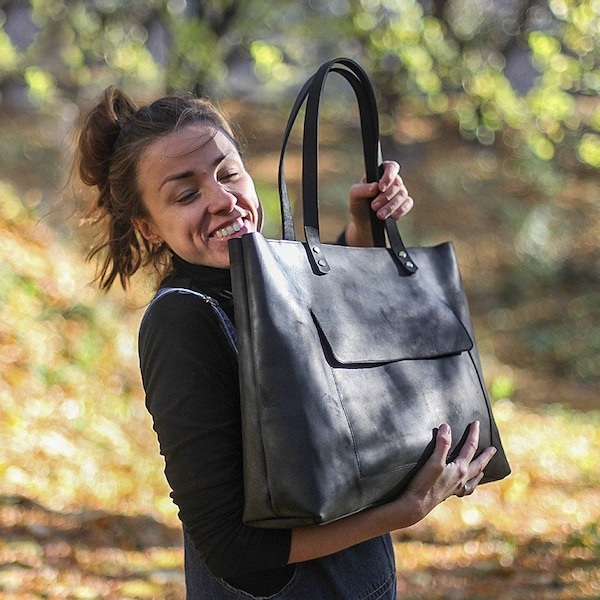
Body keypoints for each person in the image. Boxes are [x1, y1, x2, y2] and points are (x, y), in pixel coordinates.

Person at [73, 86, 497, 599]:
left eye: (228, 173)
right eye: (186, 195)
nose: (222, 200)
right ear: (148, 226)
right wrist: (400, 511)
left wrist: (364, 228)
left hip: (362, 581)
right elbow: (231, 548)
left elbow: (342, 375)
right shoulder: (183, 322)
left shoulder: (277, 275)